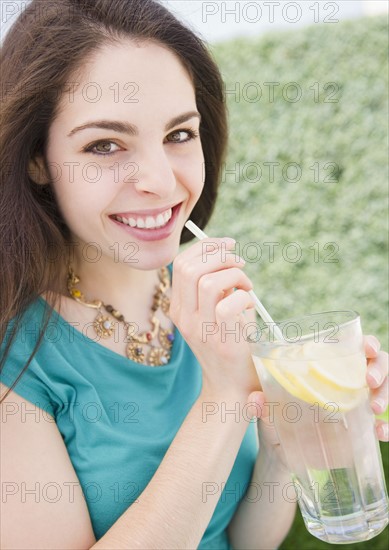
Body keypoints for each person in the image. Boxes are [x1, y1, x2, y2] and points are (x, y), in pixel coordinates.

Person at [0, 1, 387, 548]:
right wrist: (225, 396)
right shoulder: (16, 362)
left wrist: (285, 437)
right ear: (36, 159)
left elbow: (245, 538)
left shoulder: (210, 303)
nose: (161, 180)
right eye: (105, 145)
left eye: (179, 134)